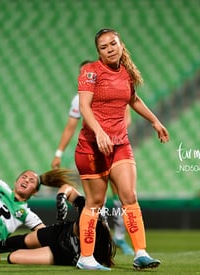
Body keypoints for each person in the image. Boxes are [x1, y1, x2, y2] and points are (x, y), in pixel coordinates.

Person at [74, 28, 169, 271]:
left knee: (129, 197)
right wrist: (99, 132)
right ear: (99, 52)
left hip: (119, 144)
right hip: (91, 147)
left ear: (120, 44)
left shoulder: (126, 74)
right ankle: (86, 258)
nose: (110, 49)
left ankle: (141, 253)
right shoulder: (90, 72)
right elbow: (84, 107)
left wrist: (155, 121)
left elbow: (133, 100)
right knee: (95, 202)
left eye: (113, 44)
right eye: (104, 47)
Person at [51, 61, 133, 255]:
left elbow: (126, 117)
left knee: (123, 197)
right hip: (93, 151)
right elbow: (71, 126)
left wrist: (110, 137)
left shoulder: (116, 89)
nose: (86, 77)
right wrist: (58, 153)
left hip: (115, 146)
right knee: (98, 199)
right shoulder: (78, 100)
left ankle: (120, 237)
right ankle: (102, 237)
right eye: (82, 74)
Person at [0, 184, 115, 268]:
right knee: (17, 241)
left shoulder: (99, 233)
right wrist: (62, 198)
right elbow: (68, 188)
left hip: (64, 252)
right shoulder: (88, 206)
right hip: (60, 232)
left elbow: (104, 255)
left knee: (14, 257)